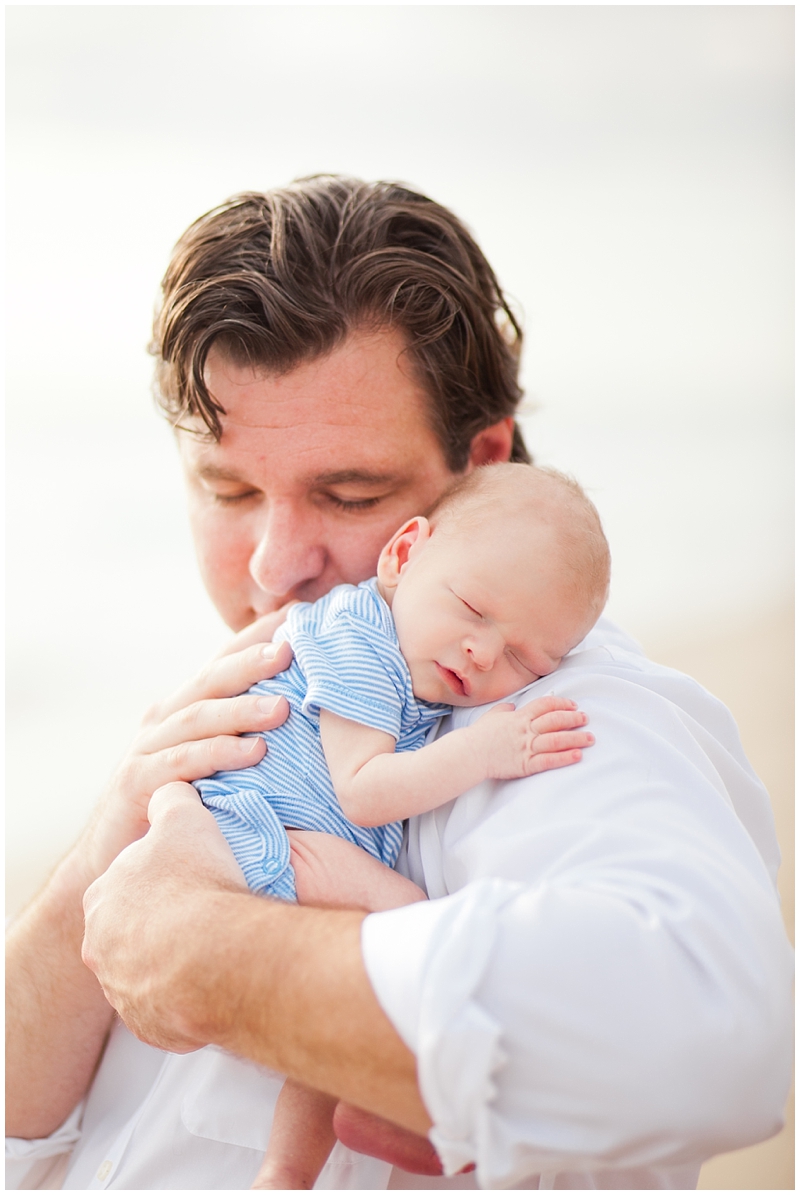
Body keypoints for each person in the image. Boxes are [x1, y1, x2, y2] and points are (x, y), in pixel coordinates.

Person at [5, 177, 792, 1191]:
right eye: (231, 492)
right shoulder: (264, 679)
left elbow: (712, 1032)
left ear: (479, 464)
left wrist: (202, 952)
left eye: (348, 493)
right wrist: (106, 849)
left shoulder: (545, 712)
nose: (272, 566)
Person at [198, 463, 606, 1190]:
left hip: (300, 834)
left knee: (347, 985)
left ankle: (288, 1168)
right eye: (474, 609)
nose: (483, 652)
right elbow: (362, 791)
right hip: (263, 827)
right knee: (409, 926)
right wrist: (484, 748)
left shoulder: (422, 653)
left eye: (522, 658)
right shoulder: (362, 633)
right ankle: (337, 1138)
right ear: (404, 555)